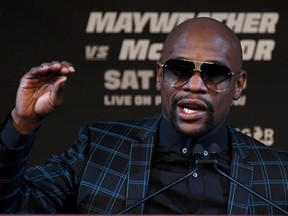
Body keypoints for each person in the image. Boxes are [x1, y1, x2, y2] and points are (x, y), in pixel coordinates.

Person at [0, 17, 288, 215]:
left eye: (215, 74)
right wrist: (22, 123)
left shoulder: (278, 174)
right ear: (160, 75)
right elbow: (10, 207)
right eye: (180, 69)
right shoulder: (97, 149)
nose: (194, 84)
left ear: (238, 85)